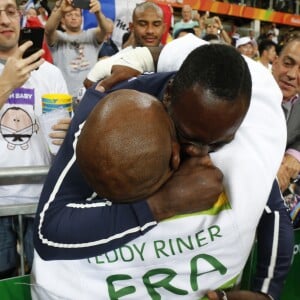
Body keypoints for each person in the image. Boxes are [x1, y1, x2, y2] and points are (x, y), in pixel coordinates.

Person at [31, 42, 288, 299]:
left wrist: (267, 293)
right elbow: (49, 230)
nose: (199, 153)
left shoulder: (235, 117)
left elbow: (270, 205)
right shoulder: (108, 110)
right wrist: (163, 203)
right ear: (168, 95)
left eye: (218, 143)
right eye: (187, 137)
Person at [0, 0, 70, 279]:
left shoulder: (50, 73)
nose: (4, 20)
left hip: (41, 199)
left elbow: (61, 140)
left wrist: (68, 132)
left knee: (43, 279)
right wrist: (6, 84)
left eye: (9, 11)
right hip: (1, 201)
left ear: (20, 17)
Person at [83, 1, 166, 89]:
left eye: (156, 25)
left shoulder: (172, 59)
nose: (150, 31)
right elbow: (88, 86)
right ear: (132, 27)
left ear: (163, 28)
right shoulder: (115, 61)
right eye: (143, 24)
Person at [44, 0, 111, 101]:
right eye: (69, 14)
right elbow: (48, 30)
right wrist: (60, 11)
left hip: (90, 96)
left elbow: (106, 29)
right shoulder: (58, 37)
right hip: (64, 97)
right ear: (62, 20)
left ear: (81, 18)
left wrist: (98, 12)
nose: (73, 17)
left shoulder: (91, 35)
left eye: (77, 14)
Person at [272, 37, 300, 226]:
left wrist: (294, 155)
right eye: (287, 64)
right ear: (275, 62)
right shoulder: (247, 92)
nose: (291, 74)